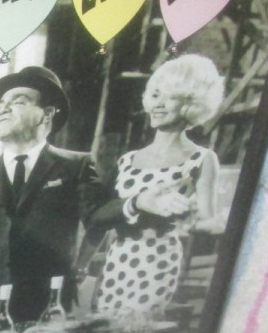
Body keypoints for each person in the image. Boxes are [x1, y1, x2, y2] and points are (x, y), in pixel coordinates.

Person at [0, 65, 116, 333]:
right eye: (1, 104)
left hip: (47, 314)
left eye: (18, 101)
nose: (4, 108)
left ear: (47, 114)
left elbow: (98, 218)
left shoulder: (75, 167)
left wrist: (80, 266)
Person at [95, 53, 225, 318]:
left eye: (170, 97)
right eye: (155, 95)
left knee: (136, 330)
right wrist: (83, 268)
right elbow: (102, 216)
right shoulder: (127, 159)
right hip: (116, 257)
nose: (158, 104)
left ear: (192, 103)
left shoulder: (202, 159)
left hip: (157, 259)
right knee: (104, 327)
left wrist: (187, 215)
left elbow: (209, 222)